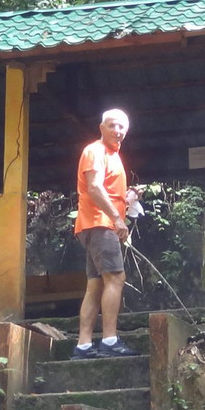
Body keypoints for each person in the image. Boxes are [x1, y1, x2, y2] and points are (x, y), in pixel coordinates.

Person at [71, 108, 143, 359]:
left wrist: (129, 197)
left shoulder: (114, 156)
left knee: (95, 284)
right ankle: (110, 340)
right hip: (100, 224)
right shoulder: (95, 151)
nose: (118, 131)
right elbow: (93, 187)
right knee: (116, 278)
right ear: (101, 128)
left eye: (123, 127)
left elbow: (108, 192)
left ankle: (83, 345)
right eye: (112, 125)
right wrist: (115, 218)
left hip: (97, 225)